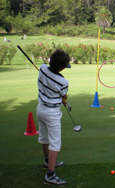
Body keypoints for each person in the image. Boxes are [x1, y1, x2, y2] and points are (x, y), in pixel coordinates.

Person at [36, 49, 71, 187]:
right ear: (62, 67)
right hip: (52, 113)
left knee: (44, 138)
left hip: (40, 109)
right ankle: (50, 175)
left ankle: (47, 161)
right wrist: (64, 98)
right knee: (55, 143)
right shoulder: (63, 81)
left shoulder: (42, 68)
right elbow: (64, 96)